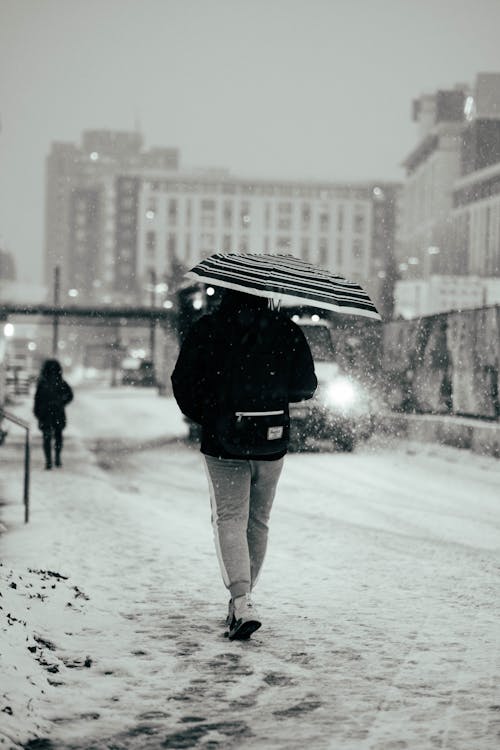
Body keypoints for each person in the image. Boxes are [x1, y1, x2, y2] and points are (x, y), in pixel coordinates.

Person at [171, 289, 317, 640]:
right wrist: (271, 389)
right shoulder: (285, 329)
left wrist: (210, 414)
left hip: (224, 442)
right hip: (271, 441)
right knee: (258, 521)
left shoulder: (207, 329)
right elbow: (306, 386)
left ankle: (241, 600)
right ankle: (244, 599)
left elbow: (183, 384)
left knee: (230, 518)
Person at [33, 359, 73, 470]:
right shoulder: (59, 382)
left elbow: (37, 399)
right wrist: (61, 402)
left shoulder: (44, 383)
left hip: (47, 413)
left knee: (48, 438)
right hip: (54, 413)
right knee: (56, 437)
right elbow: (69, 395)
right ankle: (55, 459)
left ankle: (50, 461)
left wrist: (38, 412)